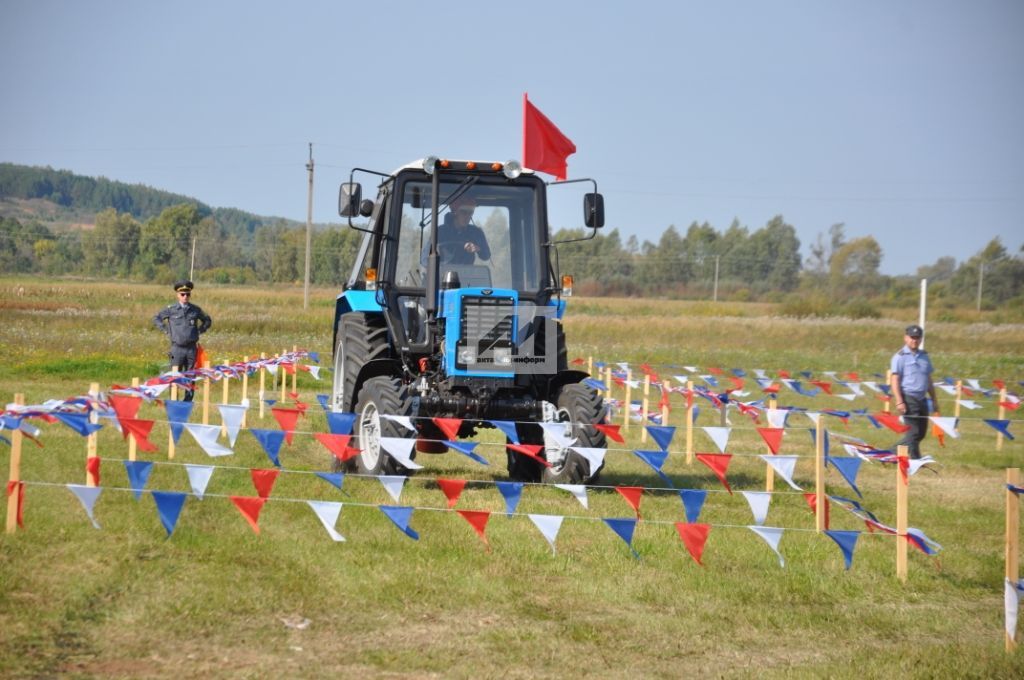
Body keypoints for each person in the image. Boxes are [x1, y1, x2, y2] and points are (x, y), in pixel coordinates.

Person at [153, 280, 212, 402]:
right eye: (182, 294)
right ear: (177, 295)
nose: (185, 297)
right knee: (174, 375)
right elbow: (157, 318)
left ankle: (187, 402)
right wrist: (165, 329)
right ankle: (174, 400)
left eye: (188, 294)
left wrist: (200, 331)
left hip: (191, 349)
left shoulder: (195, 310)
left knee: (190, 375)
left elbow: (207, 320)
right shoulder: (171, 309)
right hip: (177, 348)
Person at [888, 324, 939, 459]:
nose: (914, 340)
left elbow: (928, 379)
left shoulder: (924, 356)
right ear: (906, 338)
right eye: (912, 337)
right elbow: (894, 380)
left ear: (921, 339)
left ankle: (893, 454)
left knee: (921, 433)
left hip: (922, 399)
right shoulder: (899, 357)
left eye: (917, 338)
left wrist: (934, 400)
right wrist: (899, 401)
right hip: (908, 398)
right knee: (913, 432)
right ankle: (910, 459)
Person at [421, 195, 491, 266]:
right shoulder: (440, 232)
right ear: (455, 212)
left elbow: (486, 256)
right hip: (443, 275)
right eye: (463, 212)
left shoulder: (476, 232)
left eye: (470, 212)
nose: (467, 216)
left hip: (467, 275)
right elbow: (424, 260)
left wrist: (478, 248)